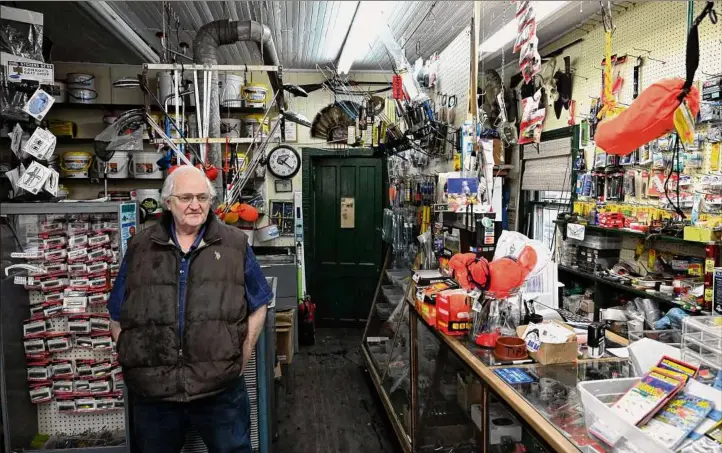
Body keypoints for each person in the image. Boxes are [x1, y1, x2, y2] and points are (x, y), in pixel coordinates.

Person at [107, 165, 272, 453]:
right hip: (155, 393)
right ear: (168, 202)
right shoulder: (140, 247)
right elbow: (116, 312)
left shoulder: (235, 245)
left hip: (219, 390)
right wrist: (131, 352)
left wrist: (242, 353)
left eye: (202, 197)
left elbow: (260, 303)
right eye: (185, 197)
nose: (195, 205)